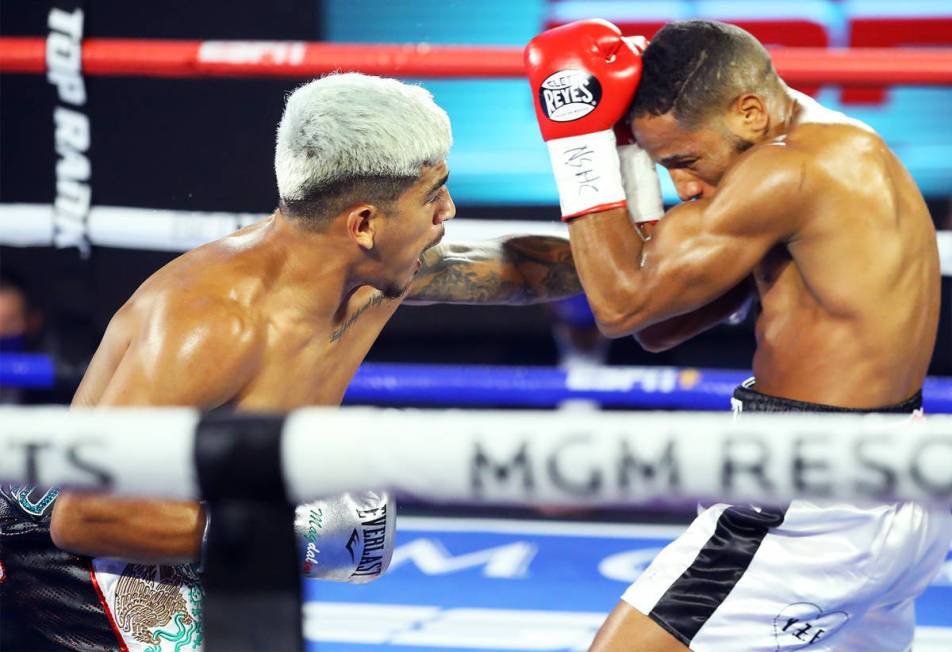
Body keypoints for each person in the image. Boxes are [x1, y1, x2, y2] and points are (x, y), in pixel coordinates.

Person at [0, 73, 582, 651]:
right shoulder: (212, 324)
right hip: (68, 559)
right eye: (433, 195)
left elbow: (522, 273)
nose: (448, 212)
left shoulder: (381, 275)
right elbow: (84, 518)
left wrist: (656, 253)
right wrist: (285, 534)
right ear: (363, 224)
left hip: (175, 538)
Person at [525, 19, 951, 652]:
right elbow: (660, 327)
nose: (687, 188)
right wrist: (627, 157)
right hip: (898, 481)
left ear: (750, 112)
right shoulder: (837, 145)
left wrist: (579, 141)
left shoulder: (783, 173)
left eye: (686, 161)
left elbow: (619, 307)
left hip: (808, 492)